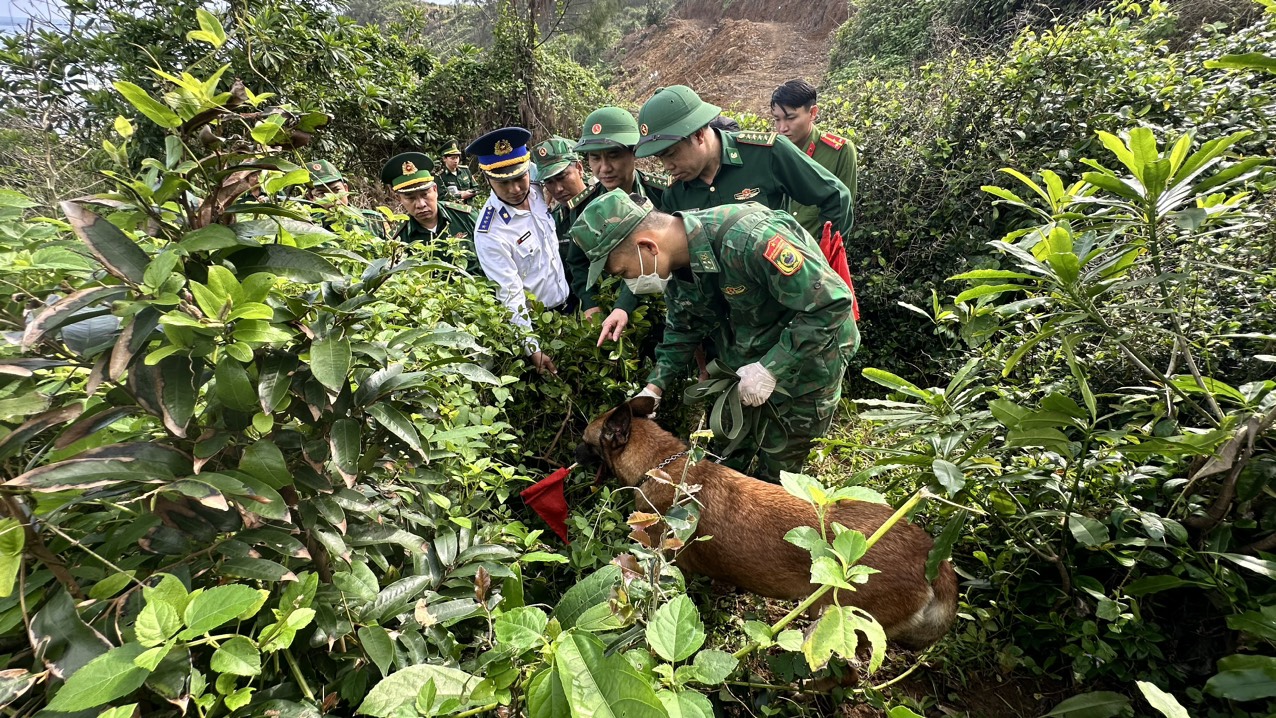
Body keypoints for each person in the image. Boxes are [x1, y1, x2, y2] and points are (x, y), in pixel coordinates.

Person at [570, 189, 859, 481]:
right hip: (744, 359)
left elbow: (832, 303)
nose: (630, 283)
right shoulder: (674, 266)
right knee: (724, 460)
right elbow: (684, 327)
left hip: (810, 362)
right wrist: (654, 387)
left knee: (780, 472)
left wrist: (770, 368)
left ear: (648, 247)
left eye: (623, 272)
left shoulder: (750, 238)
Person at [634, 85, 853, 240]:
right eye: (660, 157)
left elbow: (836, 197)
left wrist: (820, 261)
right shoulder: (675, 192)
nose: (667, 166)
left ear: (699, 135)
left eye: (671, 153)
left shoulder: (766, 154)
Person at [467, 127, 569, 375]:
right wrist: (532, 347)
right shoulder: (490, 232)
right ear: (487, 179)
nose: (514, 189)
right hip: (539, 325)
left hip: (571, 304)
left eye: (519, 178)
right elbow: (509, 295)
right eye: (503, 182)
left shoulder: (536, 185)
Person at [574, 106, 669, 345]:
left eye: (613, 155)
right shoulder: (585, 206)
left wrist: (624, 306)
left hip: (662, 311)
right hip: (609, 316)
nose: (604, 168)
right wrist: (590, 303)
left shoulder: (663, 194)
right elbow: (577, 262)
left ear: (633, 152)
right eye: (595, 158)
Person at [770, 79, 858, 239]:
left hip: (816, 256)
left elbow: (843, 212)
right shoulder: (772, 151)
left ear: (812, 113)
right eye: (777, 119)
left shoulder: (839, 151)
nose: (782, 128)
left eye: (790, 118)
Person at [531, 136, 601, 319]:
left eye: (562, 177)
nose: (558, 189)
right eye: (549, 182)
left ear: (579, 167)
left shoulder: (603, 204)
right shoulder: (554, 220)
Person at [379, 152, 483, 275]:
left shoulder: (467, 217)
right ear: (399, 199)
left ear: (435, 190)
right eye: (410, 198)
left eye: (425, 194)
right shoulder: (397, 238)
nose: (421, 204)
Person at [303, 159, 389, 238]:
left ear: (346, 189)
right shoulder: (307, 227)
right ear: (311, 197)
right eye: (322, 193)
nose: (332, 198)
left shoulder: (373, 220)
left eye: (336, 190)